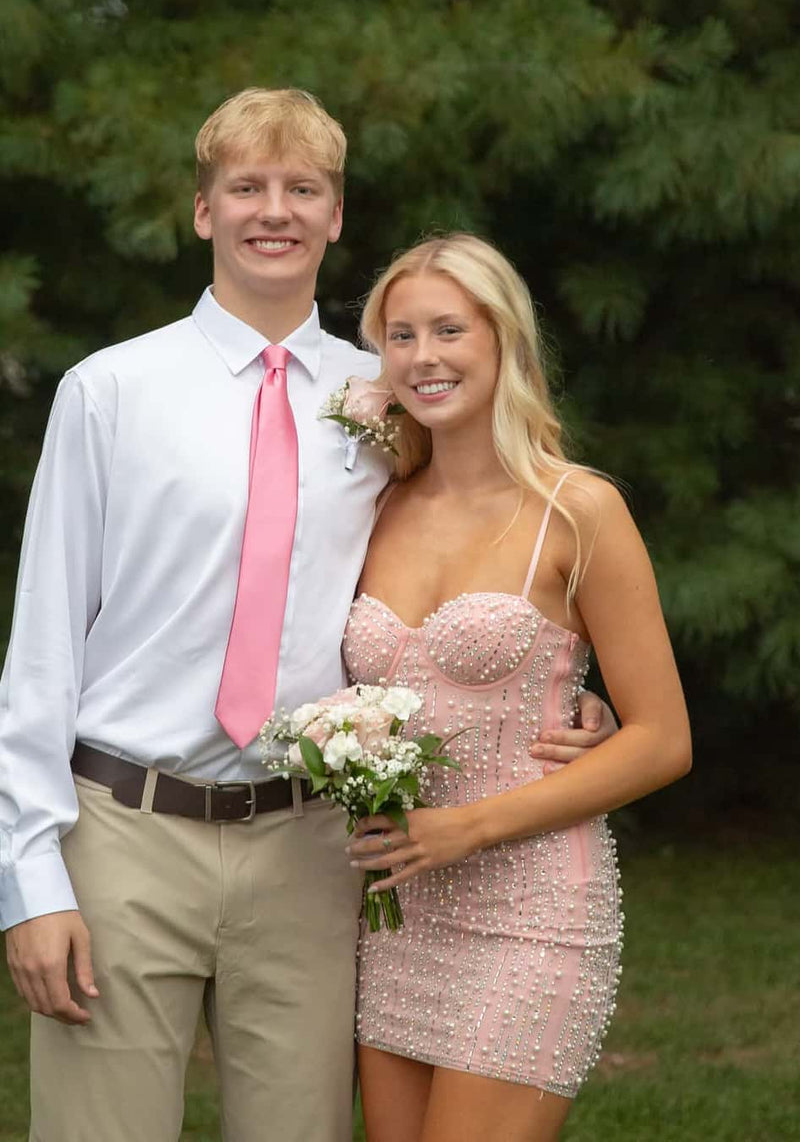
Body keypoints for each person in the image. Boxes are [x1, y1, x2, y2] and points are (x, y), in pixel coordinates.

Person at [0, 93, 611, 1142]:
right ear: (204, 211)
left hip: (310, 846)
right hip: (123, 832)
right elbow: (42, 650)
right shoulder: (109, 391)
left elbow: (462, 559)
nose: (273, 210)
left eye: (302, 188)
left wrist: (561, 697)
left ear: (335, 216)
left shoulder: (395, 394)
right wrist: (29, 880)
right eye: (246, 187)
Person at [344, 234, 692, 1142]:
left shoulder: (578, 509)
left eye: (449, 330)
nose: (424, 356)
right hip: (396, 912)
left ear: (504, 340)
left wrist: (466, 826)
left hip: (532, 910)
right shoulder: (373, 506)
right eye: (401, 335)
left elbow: (663, 739)